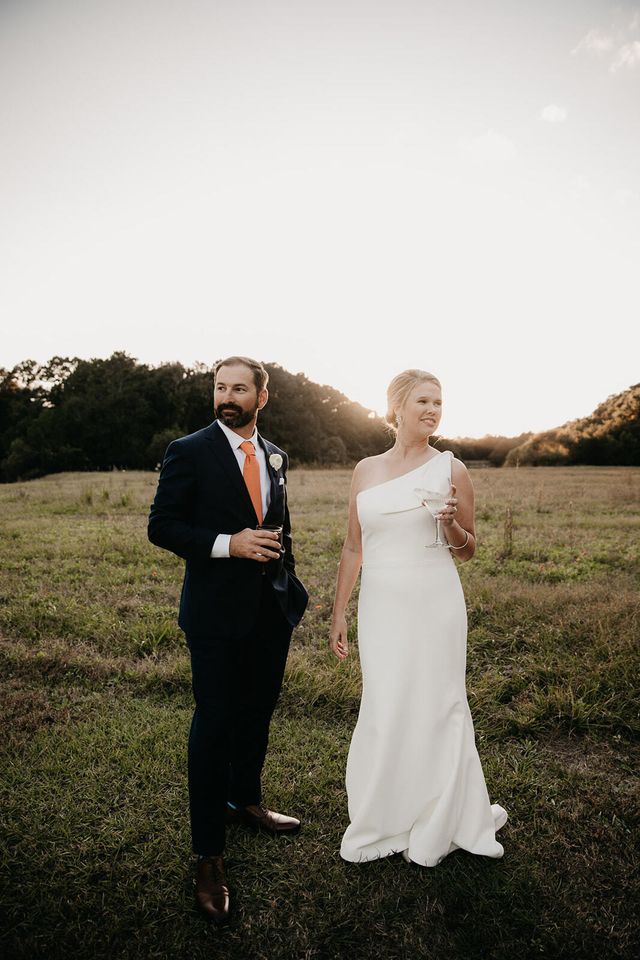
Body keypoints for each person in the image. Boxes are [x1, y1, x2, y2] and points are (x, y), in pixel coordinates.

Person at [148, 356, 308, 922]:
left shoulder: (276, 455)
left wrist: (286, 575)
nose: (228, 396)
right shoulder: (188, 450)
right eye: (220, 387)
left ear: (261, 397)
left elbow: (279, 522)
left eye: (240, 388)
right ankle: (208, 855)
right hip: (215, 615)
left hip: (269, 612)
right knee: (215, 723)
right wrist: (228, 544)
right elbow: (162, 526)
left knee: (259, 712)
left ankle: (246, 802)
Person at [330, 369, 506, 867]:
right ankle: (389, 812)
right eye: (423, 401)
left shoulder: (452, 470)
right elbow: (352, 545)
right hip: (382, 606)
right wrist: (339, 612)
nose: (433, 410)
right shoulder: (365, 470)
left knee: (439, 704)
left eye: (439, 402)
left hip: (435, 604)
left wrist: (449, 525)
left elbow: (468, 551)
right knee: (386, 703)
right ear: (397, 407)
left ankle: (446, 812)